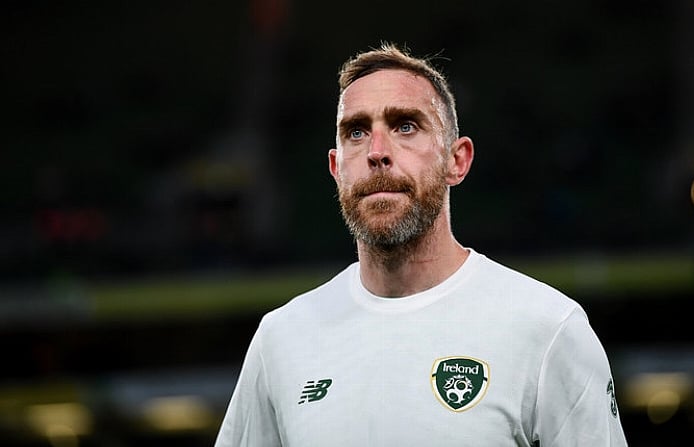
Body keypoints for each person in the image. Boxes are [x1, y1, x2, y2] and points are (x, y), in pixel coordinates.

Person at [214, 42, 628, 447]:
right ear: (337, 168)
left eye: (405, 126)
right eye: (356, 132)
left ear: (457, 160)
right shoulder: (282, 339)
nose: (377, 152)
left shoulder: (549, 329)